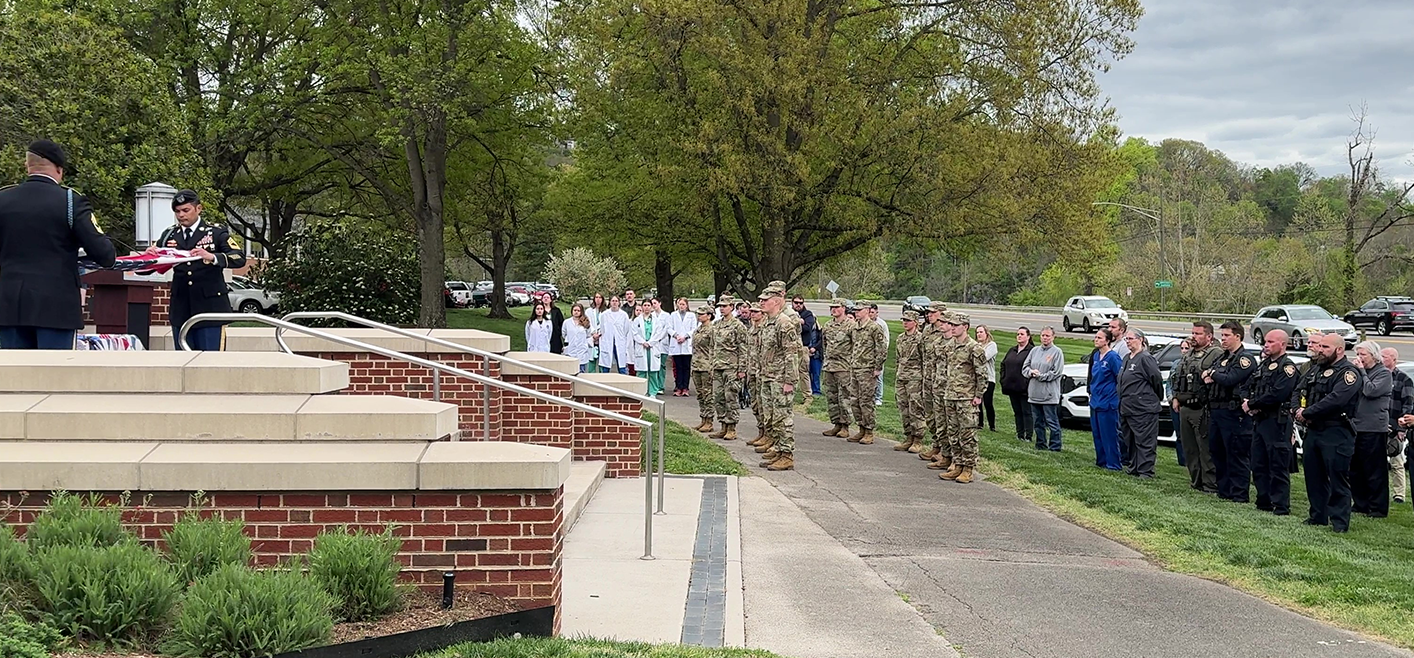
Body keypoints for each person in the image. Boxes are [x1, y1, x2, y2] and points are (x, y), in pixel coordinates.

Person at [0, 140, 115, 349]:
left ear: (27, 166)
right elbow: (105, 255)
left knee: (12, 378)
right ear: (59, 169)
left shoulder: (3, 198)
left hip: (8, 306)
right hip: (56, 307)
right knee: (55, 378)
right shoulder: (71, 201)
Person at [153, 189, 246, 351]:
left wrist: (212, 257)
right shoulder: (169, 235)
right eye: (177, 211)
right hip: (181, 307)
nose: (181, 215)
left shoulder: (215, 232)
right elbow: (152, 266)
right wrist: (149, 257)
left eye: (186, 210)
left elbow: (239, 258)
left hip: (210, 307)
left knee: (210, 361)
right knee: (184, 359)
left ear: (199, 209)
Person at [1295, 333, 1362, 533]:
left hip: (1336, 431)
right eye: (1320, 346)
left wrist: (1307, 412)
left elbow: (1336, 400)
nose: (1319, 349)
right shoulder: (1315, 369)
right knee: (1314, 476)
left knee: (1337, 477)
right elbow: (1298, 390)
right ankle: (1318, 516)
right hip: (1313, 430)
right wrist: (1296, 410)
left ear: (1339, 350)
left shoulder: (1349, 373)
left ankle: (1339, 522)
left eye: (1325, 346)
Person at [1243, 329, 1298, 515]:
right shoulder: (1264, 365)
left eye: (1271, 342)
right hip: (1260, 420)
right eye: (1265, 341)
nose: (1266, 345)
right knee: (1259, 462)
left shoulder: (1287, 368)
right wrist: (1248, 402)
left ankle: (1280, 505)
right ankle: (1263, 500)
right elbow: (1248, 385)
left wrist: (1252, 403)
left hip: (1277, 421)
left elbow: (1278, 394)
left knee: (1277, 464)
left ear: (1282, 344)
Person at [1205, 320, 1257, 502]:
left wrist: (1213, 374)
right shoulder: (1223, 357)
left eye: (1227, 336)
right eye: (1222, 335)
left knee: (1236, 453)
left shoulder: (1245, 359)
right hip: (1217, 411)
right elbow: (1208, 373)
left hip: (1234, 413)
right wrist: (1213, 374)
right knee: (1217, 451)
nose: (1223, 339)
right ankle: (1224, 490)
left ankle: (1239, 493)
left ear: (1238, 336)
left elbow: (1230, 379)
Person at [939, 312, 989, 484]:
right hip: (951, 395)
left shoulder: (974, 348)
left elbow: (982, 375)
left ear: (965, 327)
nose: (952, 328)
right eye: (950, 325)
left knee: (967, 434)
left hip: (967, 398)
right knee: (953, 433)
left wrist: (978, 395)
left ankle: (968, 468)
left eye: (955, 325)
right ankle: (957, 464)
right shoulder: (950, 346)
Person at [1172, 322, 1221, 493]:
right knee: (1189, 447)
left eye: (1198, 333)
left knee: (1205, 448)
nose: (1194, 336)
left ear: (1209, 336)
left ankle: (1210, 484)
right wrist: (1176, 397)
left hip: (1202, 407)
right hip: (1185, 405)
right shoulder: (1188, 354)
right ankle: (1196, 480)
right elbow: (1179, 376)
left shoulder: (1216, 353)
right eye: (1193, 333)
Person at [756, 284, 799, 471]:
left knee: (783, 417)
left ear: (776, 301)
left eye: (765, 300)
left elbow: (791, 354)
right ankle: (778, 449)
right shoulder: (767, 322)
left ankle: (787, 455)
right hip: (768, 376)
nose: (761, 303)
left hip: (781, 378)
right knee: (771, 417)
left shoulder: (784, 323)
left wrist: (789, 380)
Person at [1350, 340, 1392, 518]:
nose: (1359, 358)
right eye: (1357, 355)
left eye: (1363, 355)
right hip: (1356, 425)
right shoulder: (1360, 372)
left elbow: (1371, 391)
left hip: (1374, 427)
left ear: (1373, 355)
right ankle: (1361, 503)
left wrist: (1360, 372)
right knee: (1356, 468)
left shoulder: (1383, 373)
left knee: (1374, 469)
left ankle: (1378, 507)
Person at [1119, 330, 1163, 478]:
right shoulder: (1126, 358)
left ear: (1141, 340)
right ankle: (1134, 467)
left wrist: (1150, 398)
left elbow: (1156, 380)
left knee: (1144, 441)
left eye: (1130, 339)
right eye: (1126, 339)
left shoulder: (1145, 358)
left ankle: (1145, 471)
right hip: (1127, 407)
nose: (1128, 342)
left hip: (1143, 408)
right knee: (1130, 440)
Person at [708, 296, 747, 440]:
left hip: (732, 367)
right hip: (718, 366)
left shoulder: (738, 326)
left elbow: (743, 348)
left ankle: (732, 427)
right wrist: (711, 365)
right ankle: (723, 425)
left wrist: (742, 368)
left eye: (724, 306)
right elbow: (713, 347)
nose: (722, 308)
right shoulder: (716, 325)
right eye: (720, 306)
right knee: (718, 397)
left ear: (731, 306)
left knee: (730, 397)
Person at [848, 301, 888, 444]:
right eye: (855, 310)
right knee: (855, 400)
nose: (856, 312)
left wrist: (877, 368)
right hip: (856, 367)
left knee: (866, 401)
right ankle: (861, 428)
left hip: (868, 369)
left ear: (867, 310)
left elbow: (881, 349)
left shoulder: (874, 328)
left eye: (859, 310)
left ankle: (869, 431)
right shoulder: (855, 328)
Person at [1024, 327, 1065, 451]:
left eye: (1047, 336)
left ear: (1053, 337)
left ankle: (1055, 445)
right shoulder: (1034, 351)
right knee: (1038, 422)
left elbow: (1056, 372)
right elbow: (1025, 367)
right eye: (1043, 335)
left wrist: (1041, 376)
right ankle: (1040, 444)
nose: (1045, 338)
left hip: (1049, 395)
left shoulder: (1057, 352)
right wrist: (1031, 372)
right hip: (1034, 393)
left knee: (1052, 421)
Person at [1088, 328, 1123, 470]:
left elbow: (1119, 378)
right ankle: (1101, 460)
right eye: (1095, 337)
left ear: (1107, 341)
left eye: (1100, 338)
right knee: (1097, 433)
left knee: (1109, 434)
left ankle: (1113, 463)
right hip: (1095, 400)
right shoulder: (1096, 356)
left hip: (1108, 401)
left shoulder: (1113, 357)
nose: (1096, 340)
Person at [819, 299, 855, 438]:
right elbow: (824, 344)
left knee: (844, 397)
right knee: (831, 396)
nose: (833, 309)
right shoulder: (828, 325)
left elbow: (855, 345)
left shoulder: (851, 325)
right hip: (830, 366)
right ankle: (836, 423)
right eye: (832, 307)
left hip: (844, 366)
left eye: (836, 307)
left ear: (844, 308)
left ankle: (845, 425)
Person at [1383, 347, 1414, 505]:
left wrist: (1402, 429)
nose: (1381, 358)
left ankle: (1399, 494)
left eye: (1385, 356)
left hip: (1395, 426)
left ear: (1394, 359)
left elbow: (1407, 405)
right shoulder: (1378, 376)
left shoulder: (1404, 379)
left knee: (1397, 462)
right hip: (1379, 425)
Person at [893, 311, 926, 453]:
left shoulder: (921, 339)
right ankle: (908, 437)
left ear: (915, 322)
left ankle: (918, 439)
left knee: (916, 409)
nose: (905, 323)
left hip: (915, 378)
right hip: (902, 376)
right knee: (903, 408)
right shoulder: (900, 338)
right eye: (904, 320)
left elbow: (925, 359)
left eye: (908, 320)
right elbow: (897, 358)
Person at [1000, 326, 1036, 442]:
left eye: (1022, 334)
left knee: (1027, 412)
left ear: (1028, 337)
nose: (1019, 336)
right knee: (1017, 412)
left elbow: (1033, 367)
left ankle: (1028, 435)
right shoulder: (1012, 350)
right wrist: (1003, 379)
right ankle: (1020, 433)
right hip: (1011, 387)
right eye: (1018, 334)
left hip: (1024, 388)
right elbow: (1003, 365)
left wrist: (1027, 382)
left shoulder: (1032, 351)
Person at [690, 305, 717, 433]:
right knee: (700, 395)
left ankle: (709, 420)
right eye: (698, 314)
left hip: (707, 366)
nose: (699, 316)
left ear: (709, 315)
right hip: (697, 365)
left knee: (708, 394)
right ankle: (703, 419)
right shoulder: (698, 329)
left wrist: (712, 366)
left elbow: (714, 349)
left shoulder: (712, 330)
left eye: (702, 314)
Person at [667, 297, 698, 397]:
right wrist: (676, 336)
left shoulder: (691, 315)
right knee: (678, 367)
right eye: (680, 304)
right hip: (676, 343)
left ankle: (685, 387)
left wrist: (685, 337)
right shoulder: (673, 315)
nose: (681, 306)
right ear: (677, 305)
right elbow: (669, 328)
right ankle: (678, 387)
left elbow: (694, 328)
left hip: (686, 343)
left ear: (687, 305)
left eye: (683, 304)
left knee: (686, 367)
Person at [795, 296, 823, 396]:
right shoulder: (788, 313)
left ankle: (813, 392)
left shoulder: (808, 314)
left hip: (808, 348)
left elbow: (807, 327)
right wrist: (800, 322)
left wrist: (814, 348)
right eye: (796, 302)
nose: (798, 304)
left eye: (800, 303)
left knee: (810, 372)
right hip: (793, 347)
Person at [596, 296, 632, 374]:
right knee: (606, 365)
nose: (614, 302)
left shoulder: (624, 315)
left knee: (621, 365)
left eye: (616, 301)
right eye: (613, 301)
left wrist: (620, 336)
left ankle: (623, 382)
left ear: (619, 302)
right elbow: (602, 328)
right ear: (610, 302)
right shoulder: (604, 314)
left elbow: (626, 329)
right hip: (607, 341)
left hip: (620, 342)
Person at [975, 325, 999, 432]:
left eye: (981, 332)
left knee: (988, 402)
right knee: (977, 402)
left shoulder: (991, 345)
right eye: (977, 332)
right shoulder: (976, 345)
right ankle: (979, 423)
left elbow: (984, 357)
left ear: (986, 333)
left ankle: (992, 425)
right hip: (977, 378)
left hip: (988, 378)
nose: (979, 334)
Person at [562, 303, 593, 372]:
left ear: (581, 312)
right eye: (575, 310)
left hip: (582, 351)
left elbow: (588, 335)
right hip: (570, 350)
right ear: (572, 311)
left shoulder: (585, 322)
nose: (576, 312)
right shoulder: (567, 322)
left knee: (581, 371)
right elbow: (564, 334)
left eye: (578, 310)